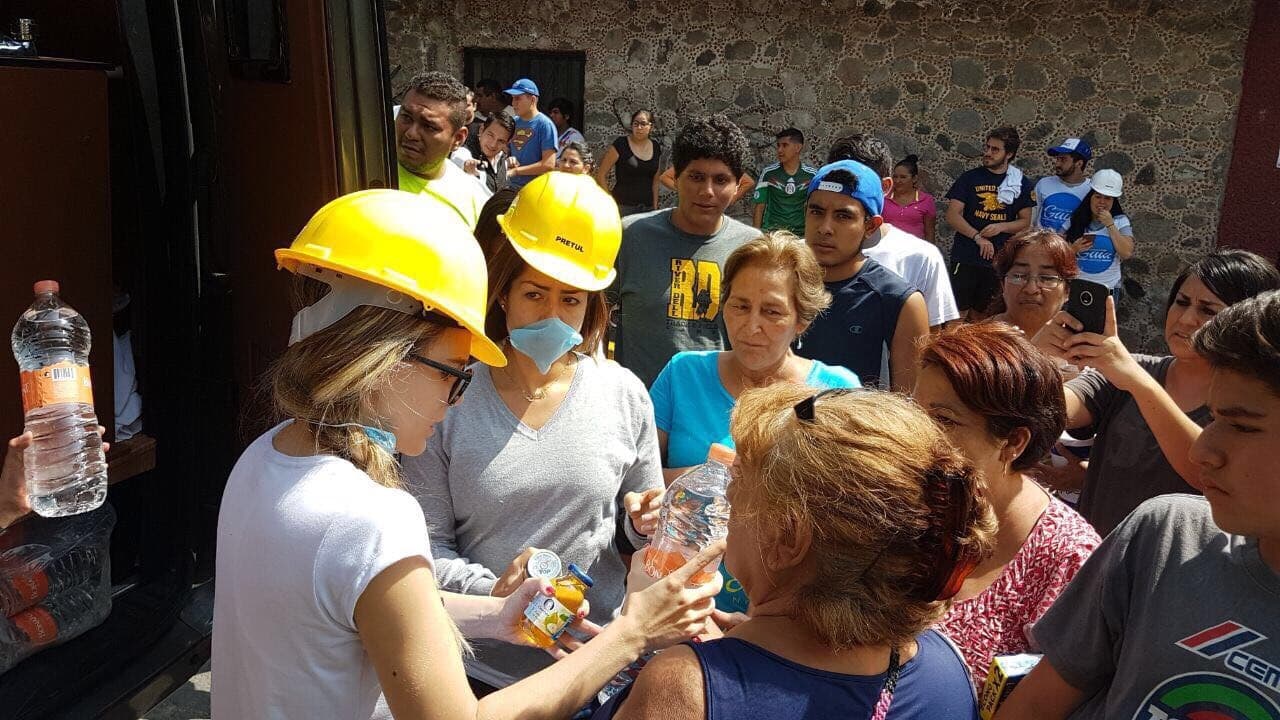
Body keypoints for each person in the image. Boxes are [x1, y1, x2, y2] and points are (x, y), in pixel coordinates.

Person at [211, 189, 723, 720]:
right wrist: (630, 634)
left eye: (572, 298)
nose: (457, 396)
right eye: (453, 372)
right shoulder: (372, 518)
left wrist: (497, 613)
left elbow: (364, 607)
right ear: (385, 361)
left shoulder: (261, 459)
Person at [405, 172, 666, 693]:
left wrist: (643, 523)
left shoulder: (624, 393)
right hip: (478, 677)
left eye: (571, 300)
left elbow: (642, 540)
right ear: (502, 293)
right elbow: (424, 549)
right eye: (534, 294)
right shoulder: (447, 398)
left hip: (597, 675)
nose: (551, 314)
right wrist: (501, 597)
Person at [598, 384, 995, 720]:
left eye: (740, 479)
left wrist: (625, 642)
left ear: (786, 538)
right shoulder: (945, 668)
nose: (725, 494)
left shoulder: (683, 687)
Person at [997, 289, 1280, 720]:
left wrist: (1130, 375)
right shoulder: (1163, 536)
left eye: (1241, 426)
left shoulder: (1131, 373)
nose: (1204, 451)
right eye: (1181, 301)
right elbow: (1036, 703)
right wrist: (1033, 359)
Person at [649, 232, 860, 611]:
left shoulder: (833, 394)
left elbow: (844, 513)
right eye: (740, 306)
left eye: (772, 311)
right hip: (677, 598)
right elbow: (640, 477)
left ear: (802, 320)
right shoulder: (682, 374)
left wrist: (715, 481)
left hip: (785, 613)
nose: (751, 326)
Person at [1031, 249, 1280, 536]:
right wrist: (1034, 356)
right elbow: (1049, 409)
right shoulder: (1130, 370)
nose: (1186, 319)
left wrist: (1137, 382)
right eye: (1181, 302)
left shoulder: (1249, 406)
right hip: (1098, 559)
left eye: (1208, 310)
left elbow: (1203, 471)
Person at [913, 323, 1100, 687]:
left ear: (1013, 441)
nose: (917, 433)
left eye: (943, 420)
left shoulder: (1069, 559)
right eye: (915, 412)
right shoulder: (903, 504)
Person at [611, 114, 759, 388]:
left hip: (718, 416)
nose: (707, 191)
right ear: (675, 176)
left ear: (738, 185)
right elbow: (592, 317)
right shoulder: (630, 236)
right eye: (696, 177)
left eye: (721, 180)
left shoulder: (752, 250)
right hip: (639, 413)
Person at [795, 159, 930, 392]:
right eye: (816, 211)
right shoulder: (777, 282)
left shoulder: (898, 301)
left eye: (843, 216)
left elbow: (910, 410)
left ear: (871, 226)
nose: (825, 227)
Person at [827, 134, 960, 329]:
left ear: (884, 187)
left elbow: (931, 335)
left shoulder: (921, 258)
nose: (844, 194)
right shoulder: (800, 255)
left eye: (855, 183)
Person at [944, 127, 1036, 319]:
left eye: (995, 149)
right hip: (967, 256)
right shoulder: (969, 178)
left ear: (1009, 154)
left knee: (984, 316)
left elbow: (1025, 222)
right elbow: (952, 215)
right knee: (956, 315)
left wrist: (1001, 227)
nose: (987, 153)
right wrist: (978, 237)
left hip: (998, 261)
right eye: (987, 147)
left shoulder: (1020, 183)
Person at [395, 72, 489, 227]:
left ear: (458, 138)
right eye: (406, 117)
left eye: (429, 126)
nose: (411, 133)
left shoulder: (475, 200)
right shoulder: (358, 173)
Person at [988, 229, 1079, 335]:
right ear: (1003, 284)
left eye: (1047, 278)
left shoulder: (1080, 346)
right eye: (1019, 276)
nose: (1031, 289)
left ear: (1067, 291)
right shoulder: (974, 342)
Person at [1062, 170, 1134, 298]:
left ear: (1114, 201)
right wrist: (1073, 250)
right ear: (1090, 197)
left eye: (1107, 198)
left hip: (1107, 291)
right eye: (1098, 196)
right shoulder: (1074, 219)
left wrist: (1110, 225)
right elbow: (1055, 251)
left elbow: (1126, 253)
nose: (1102, 202)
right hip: (1077, 288)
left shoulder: (1120, 221)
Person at [752, 128, 818, 236]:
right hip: (772, 234)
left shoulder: (812, 175)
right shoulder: (768, 173)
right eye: (778, 145)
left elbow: (816, 209)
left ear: (797, 147)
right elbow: (759, 207)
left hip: (800, 236)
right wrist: (755, 238)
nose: (779, 150)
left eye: (785, 145)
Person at [595, 109, 661, 216]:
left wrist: (655, 206)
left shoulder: (656, 146)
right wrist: (610, 203)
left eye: (643, 124)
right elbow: (601, 175)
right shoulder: (621, 144)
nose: (639, 128)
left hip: (647, 209)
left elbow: (656, 180)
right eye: (636, 124)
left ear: (651, 127)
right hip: (623, 207)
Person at [505, 78, 558, 189]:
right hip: (510, 187)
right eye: (513, 99)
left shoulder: (545, 125)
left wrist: (516, 171)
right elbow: (505, 150)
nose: (513, 103)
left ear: (533, 100)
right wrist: (508, 159)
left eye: (518, 98)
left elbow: (548, 164)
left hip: (534, 189)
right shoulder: (513, 122)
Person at [1032, 138, 1092, 233]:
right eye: (1057, 159)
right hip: (1041, 244)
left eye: (1063, 159)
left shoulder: (1091, 189)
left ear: (1079, 163)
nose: (1057, 164)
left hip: (1073, 246)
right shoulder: (1043, 184)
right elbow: (1031, 218)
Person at [457, 110, 516, 196]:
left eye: (501, 141)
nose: (493, 144)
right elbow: (460, 158)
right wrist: (466, 165)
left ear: (507, 142)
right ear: (481, 130)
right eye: (490, 135)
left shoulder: (502, 158)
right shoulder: (465, 151)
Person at [884, 154, 937, 242]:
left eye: (903, 177)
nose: (897, 181)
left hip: (914, 253)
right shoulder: (884, 197)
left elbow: (930, 232)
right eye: (895, 176)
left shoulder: (926, 200)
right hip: (885, 251)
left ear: (914, 178)